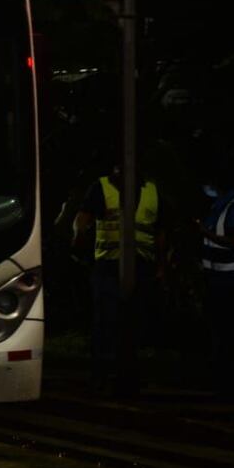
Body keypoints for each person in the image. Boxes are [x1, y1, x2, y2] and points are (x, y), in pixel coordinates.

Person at [72, 164, 164, 394]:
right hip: (109, 264)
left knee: (131, 322)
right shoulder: (101, 187)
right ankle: (103, 375)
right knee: (107, 322)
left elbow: (160, 230)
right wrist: (79, 237)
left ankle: (124, 376)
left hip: (140, 265)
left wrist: (161, 266)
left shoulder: (152, 191)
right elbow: (83, 219)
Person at [197, 167, 234, 399]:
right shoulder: (219, 207)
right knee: (223, 334)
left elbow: (232, 241)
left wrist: (204, 232)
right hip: (220, 281)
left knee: (233, 335)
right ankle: (225, 382)